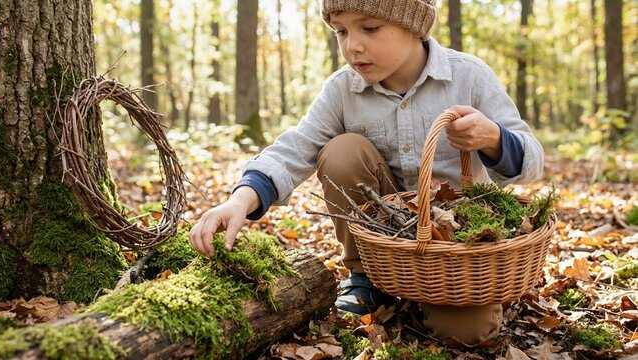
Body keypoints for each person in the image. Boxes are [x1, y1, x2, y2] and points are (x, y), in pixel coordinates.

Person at [190, 0, 544, 345]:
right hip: (383, 239)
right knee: (342, 151)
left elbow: (532, 163)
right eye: (341, 31)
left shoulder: (468, 76)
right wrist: (240, 200)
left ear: (412, 24)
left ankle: (441, 298)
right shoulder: (344, 89)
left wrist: (494, 139)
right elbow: (295, 149)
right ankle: (367, 278)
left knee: (465, 334)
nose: (352, 45)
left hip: (454, 254)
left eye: (370, 28)